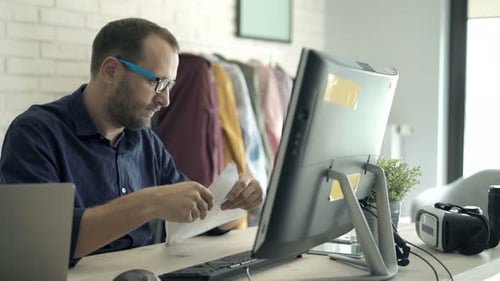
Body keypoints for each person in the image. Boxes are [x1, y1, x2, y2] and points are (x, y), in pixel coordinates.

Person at [0, 18, 263, 267]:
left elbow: (194, 217)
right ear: (111, 70)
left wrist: (233, 205)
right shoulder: (35, 133)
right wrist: (148, 203)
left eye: (170, 85)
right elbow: (42, 245)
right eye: (157, 82)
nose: (166, 100)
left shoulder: (144, 138)